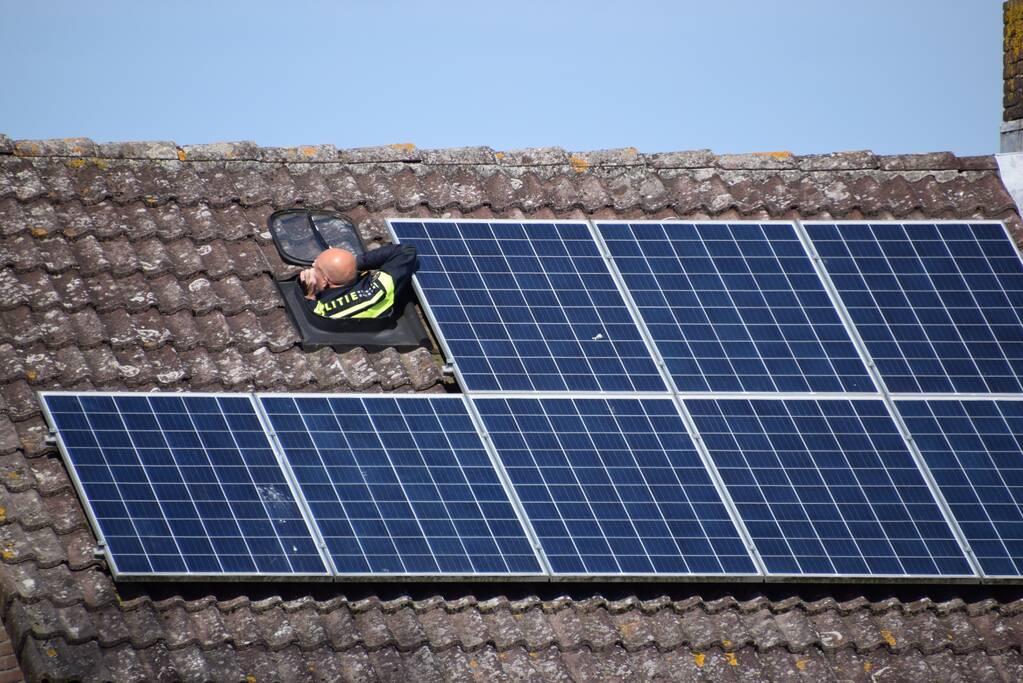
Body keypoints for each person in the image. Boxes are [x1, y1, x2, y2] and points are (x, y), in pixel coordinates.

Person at [300, 244, 419, 319]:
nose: (312, 267)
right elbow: (406, 251)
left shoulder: (326, 311)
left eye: (315, 268)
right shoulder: (380, 286)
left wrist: (310, 294)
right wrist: (350, 264)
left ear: (325, 281)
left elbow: (312, 317)